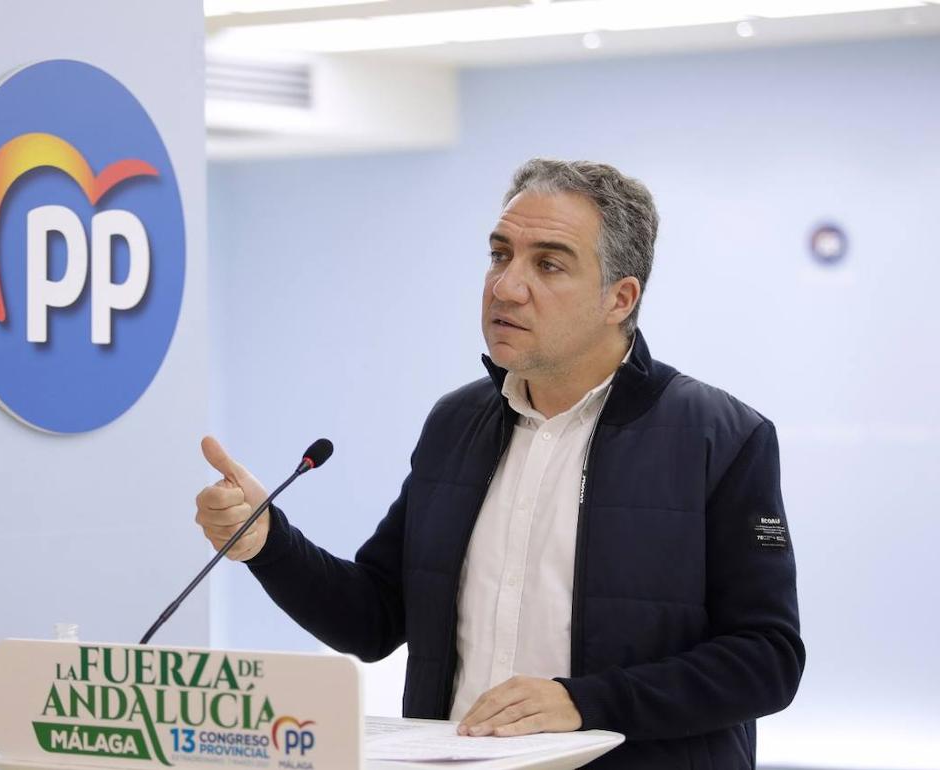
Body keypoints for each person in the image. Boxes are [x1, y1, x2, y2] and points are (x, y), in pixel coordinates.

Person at [194, 159, 804, 769]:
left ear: (619, 299)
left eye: (548, 264)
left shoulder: (721, 436)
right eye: (499, 255)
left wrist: (586, 703)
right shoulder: (455, 424)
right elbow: (373, 619)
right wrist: (267, 542)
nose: (506, 287)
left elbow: (767, 659)